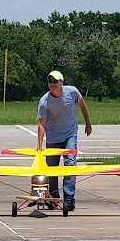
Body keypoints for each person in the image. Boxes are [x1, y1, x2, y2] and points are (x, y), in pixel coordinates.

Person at [36, 70, 92, 211]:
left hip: (70, 135)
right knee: (52, 169)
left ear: (62, 82)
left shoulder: (72, 92)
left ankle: (69, 199)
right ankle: (54, 199)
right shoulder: (44, 101)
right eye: (50, 82)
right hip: (53, 137)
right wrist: (39, 146)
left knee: (70, 164)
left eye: (55, 81)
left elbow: (83, 105)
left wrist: (88, 123)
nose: (52, 84)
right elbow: (41, 124)